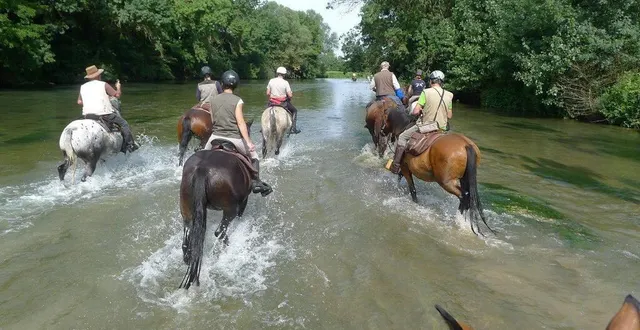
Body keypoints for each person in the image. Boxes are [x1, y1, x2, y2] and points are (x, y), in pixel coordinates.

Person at [203, 70, 272, 196]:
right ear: (235, 85)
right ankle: (256, 182)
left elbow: (213, 120)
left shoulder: (213, 100)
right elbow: (241, 123)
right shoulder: (238, 100)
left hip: (215, 136)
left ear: (222, 84)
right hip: (233, 138)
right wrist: (248, 142)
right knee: (255, 156)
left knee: (202, 156)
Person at [387, 70, 453, 174]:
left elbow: (415, 111)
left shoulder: (426, 92)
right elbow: (449, 115)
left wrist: (420, 111)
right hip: (442, 128)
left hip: (426, 126)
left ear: (431, 81)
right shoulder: (449, 95)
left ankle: (395, 166)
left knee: (402, 137)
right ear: (442, 82)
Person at [77, 65, 138, 153]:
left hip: (88, 115)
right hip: (104, 114)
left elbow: (79, 102)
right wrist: (118, 87)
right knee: (124, 124)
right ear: (98, 75)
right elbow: (117, 95)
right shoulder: (103, 84)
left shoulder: (83, 86)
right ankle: (130, 145)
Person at [266, 67, 301, 134]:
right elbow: (290, 95)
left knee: (265, 112)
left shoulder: (271, 80)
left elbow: (267, 93)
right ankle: (293, 129)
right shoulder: (285, 82)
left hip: (272, 102)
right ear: (284, 74)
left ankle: (262, 128)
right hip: (282, 103)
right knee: (294, 111)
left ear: (277, 73)